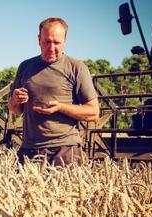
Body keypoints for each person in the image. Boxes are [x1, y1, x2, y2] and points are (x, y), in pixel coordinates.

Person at [8, 17, 99, 167]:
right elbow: (15, 110)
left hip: (65, 151)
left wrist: (60, 107)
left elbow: (94, 112)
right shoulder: (25, 67)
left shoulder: (76, 67)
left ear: (65, 41)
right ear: (38, 39)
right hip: (30, 150)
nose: (51, 47)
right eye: (47, 42)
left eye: (57, 42)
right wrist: (15, 100)